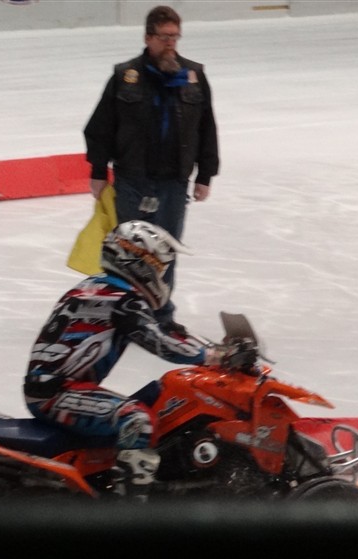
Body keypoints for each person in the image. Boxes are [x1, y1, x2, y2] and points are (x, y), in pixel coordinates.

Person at [24, 221, 248, 501]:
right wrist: (213, 356)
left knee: (157, 403)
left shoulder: (103, 287)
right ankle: (130, 508)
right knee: (137, 419)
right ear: (138, 261)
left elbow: (165, 331)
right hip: (56, 393)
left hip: (58, 387)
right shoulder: (121, 298)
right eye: (158, 266)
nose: (161, 274)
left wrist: (211, 348)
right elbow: (158, 341)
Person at [83, 5, 219, 331]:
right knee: (129, 252)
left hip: (174, 183)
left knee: (164, 251)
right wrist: (98, 172)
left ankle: (160, 316)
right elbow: (100, 128)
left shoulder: (194, 76)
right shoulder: (124, 76)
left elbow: (207, 129)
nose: (170, 43)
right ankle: (126, 315)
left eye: (175, 37)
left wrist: (205, 175)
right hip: (133, 180)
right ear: (148, 38)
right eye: (164, 37)